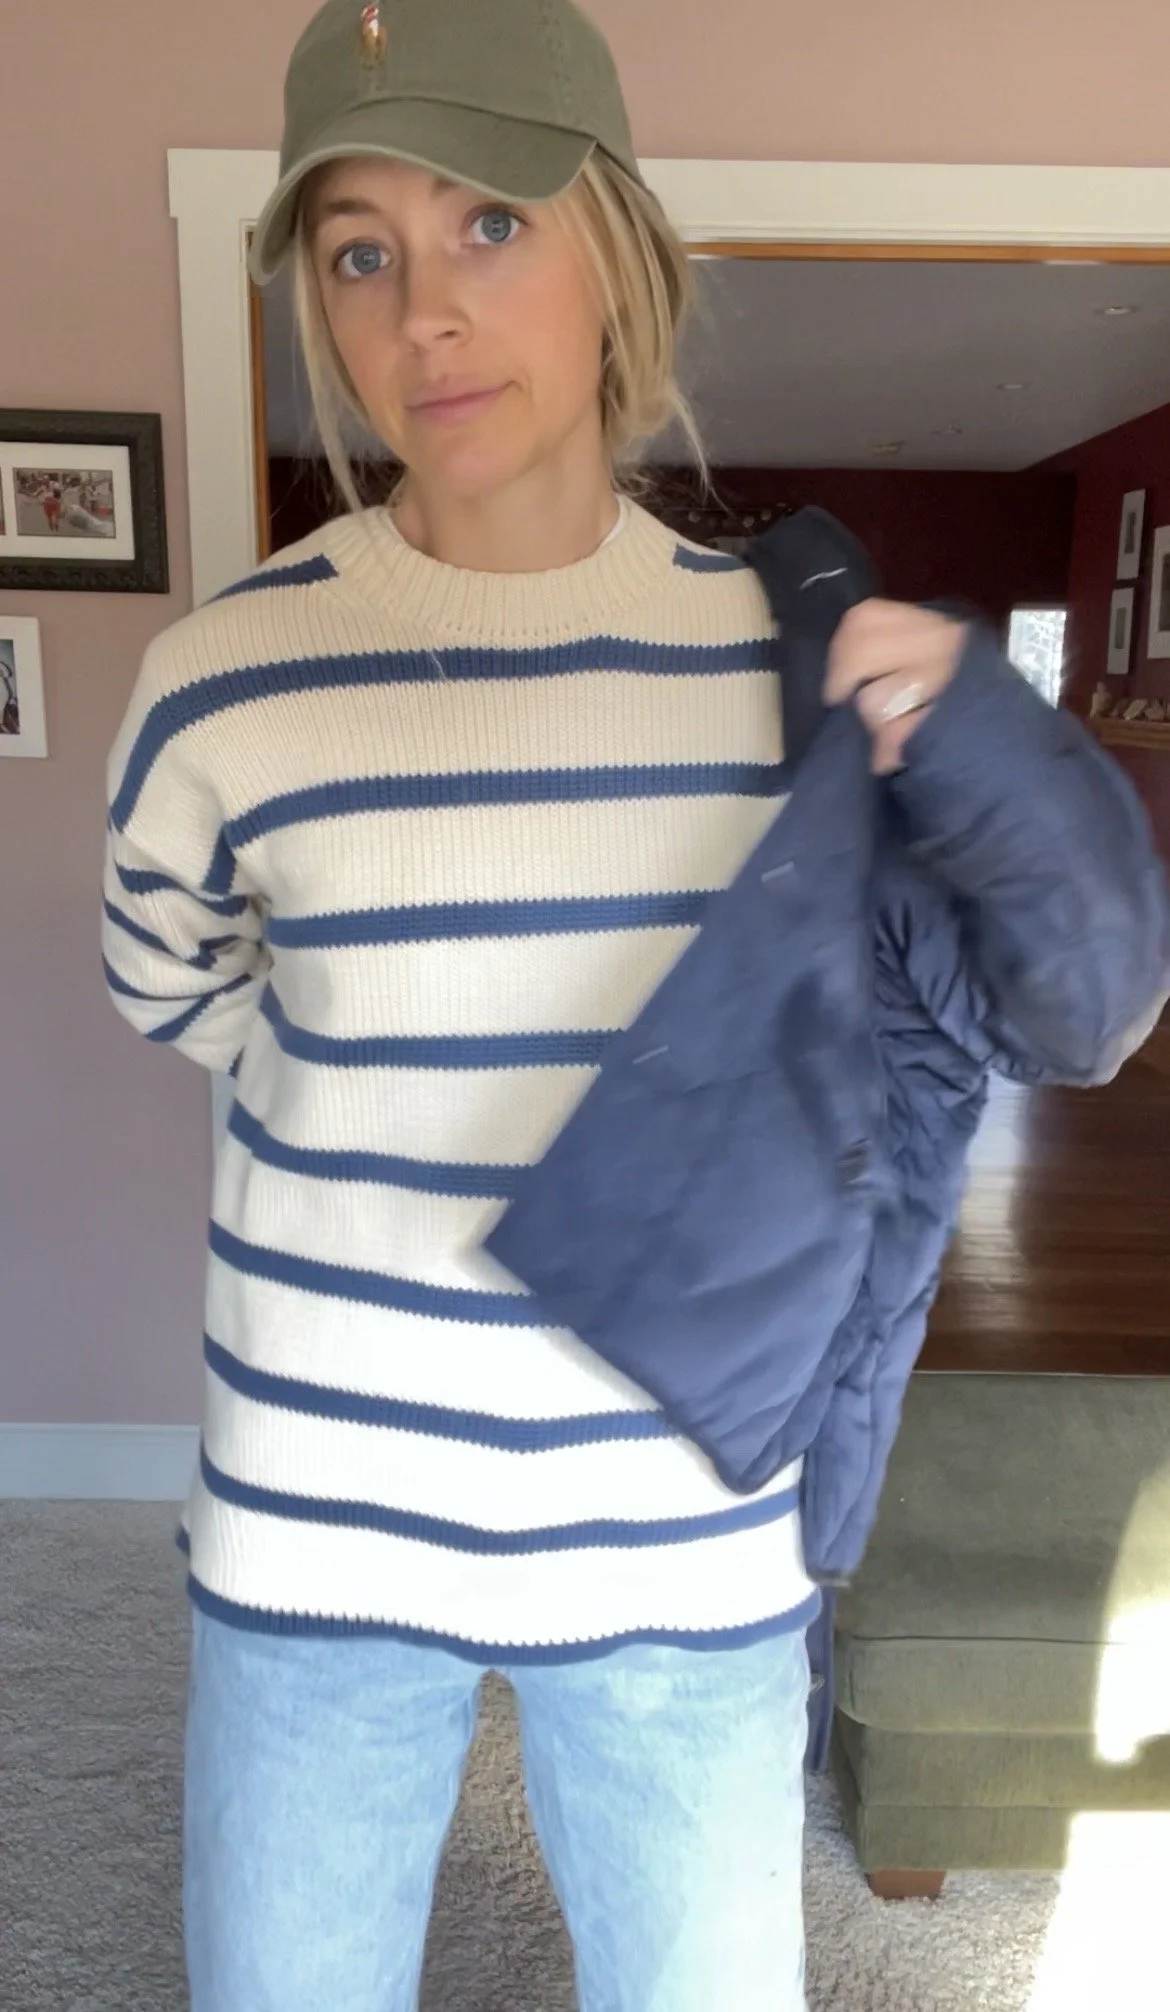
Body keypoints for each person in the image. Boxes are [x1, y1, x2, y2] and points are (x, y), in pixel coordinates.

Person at [100, 3, 1169, 2009]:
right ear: (320, 307)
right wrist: (369, 1070)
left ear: (619, 248)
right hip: (320, 1530)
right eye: (358, 250)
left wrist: (978, 714)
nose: (426, 306)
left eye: (490, 222)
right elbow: (174, 980)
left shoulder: (798, 675)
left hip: (682, 1542)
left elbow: (1081, 1004)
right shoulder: (217, 684)